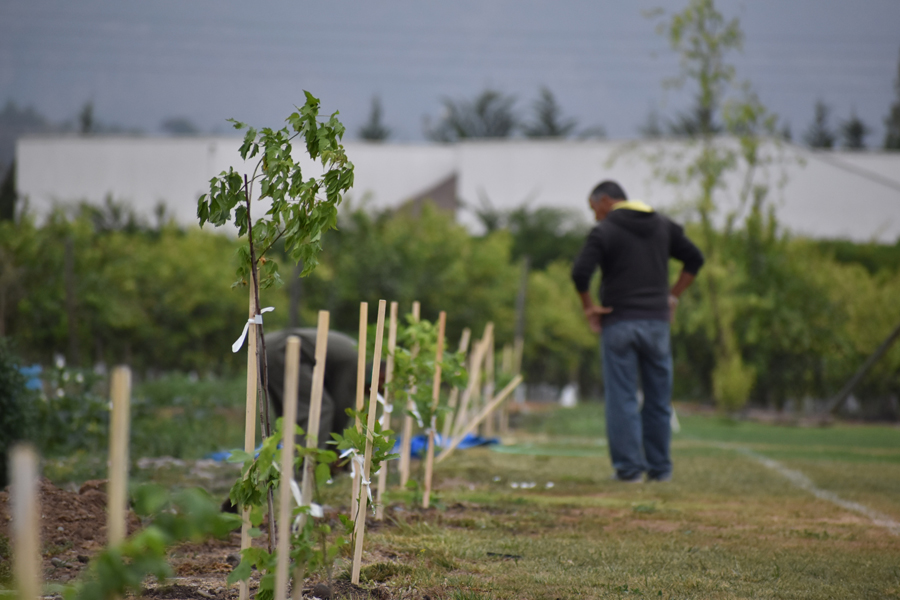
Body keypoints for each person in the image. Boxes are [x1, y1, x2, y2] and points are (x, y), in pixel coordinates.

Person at [571, 180, 704, 483]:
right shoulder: (663, 225)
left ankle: (629, 470)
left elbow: (580, 272)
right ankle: (660, 469)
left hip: (619, 323)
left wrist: (589, 307)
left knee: (623, 398)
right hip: (657, 325)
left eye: (594, 209)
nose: (595, 217)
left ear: (605, 200)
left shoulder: (604, 231)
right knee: (658, 399)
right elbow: (695, 259)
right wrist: (673, 296)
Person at [265, 328, 360, 450]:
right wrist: (332, 448)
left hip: (267, 347)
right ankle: (304, 465)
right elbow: (340, 407)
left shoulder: (350, 352)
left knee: (292, 416)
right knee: (318, 408)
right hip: (282, 351)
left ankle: (290, 461)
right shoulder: (355, 361)